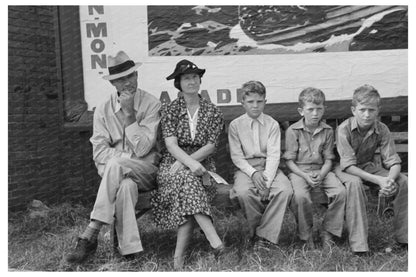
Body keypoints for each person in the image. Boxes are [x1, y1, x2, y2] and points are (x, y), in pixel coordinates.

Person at [65, 50, 161, 263]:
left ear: (137, 76)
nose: (127, 83)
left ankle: (91, 232)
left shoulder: (151, 104)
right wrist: (127, 158)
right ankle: (129, 251)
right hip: (118, 175)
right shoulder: (102, 110)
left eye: (131, 76)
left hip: (147, 172)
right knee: (124, 185)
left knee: (116, 164)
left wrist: (129, 115)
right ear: (113, 84)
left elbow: (144, 148)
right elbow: (98, 152)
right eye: (120, 79)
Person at [150, 60, 225, 270]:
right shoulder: (171, 109)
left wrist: (190, 164)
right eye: (186, 78)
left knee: (187, 184)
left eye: (195, 77)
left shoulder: (212, 110)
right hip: (172, 164)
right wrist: (188, 164)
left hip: (203, 164)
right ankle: (215, 241)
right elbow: (171, 145)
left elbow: (211, 145)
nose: (192, 81)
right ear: (178, 83)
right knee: (187, 180)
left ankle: (178, 259)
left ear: (200, 80)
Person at [334, 84, 408, 255]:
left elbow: (393, 161)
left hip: (366, 166)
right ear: (353, 110)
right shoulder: (343, 129)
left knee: (403, 181)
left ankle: (405, 238)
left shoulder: (382, 129)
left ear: (378, 110)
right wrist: (379, 181)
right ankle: (360, 246)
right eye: (362, 110)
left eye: (371, 110)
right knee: (355, 184)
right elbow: (347, 165)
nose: (367, 114)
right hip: (344, 169)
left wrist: (389, 180)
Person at [228, 80, 293, 251]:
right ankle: (256, 233)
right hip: (246, 168)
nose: (255, 106)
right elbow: (237, 157)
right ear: (242, 103)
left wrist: (267, 181)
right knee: (243, 193)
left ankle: (263, 237)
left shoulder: (272, 124)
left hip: (269, 166)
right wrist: (253, 174)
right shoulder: (235, 125)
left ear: (265, 101)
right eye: (250, 102)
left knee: (285, 190)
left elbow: (273, 155)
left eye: (259, 101)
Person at [283, 87, 346, 249]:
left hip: (322, 170)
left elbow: (329, 159)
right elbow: (289, 161)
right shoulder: (293, 131)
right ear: (301, 111)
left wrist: (322, 173)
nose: (315, 114)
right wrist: (305, 176)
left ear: (324, 109)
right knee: (301, 197)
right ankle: (306, 235)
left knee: (340, 192)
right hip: (299, 171)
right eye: (310, 109)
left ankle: (328, 231)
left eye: (319, 109)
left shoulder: (327, 131)